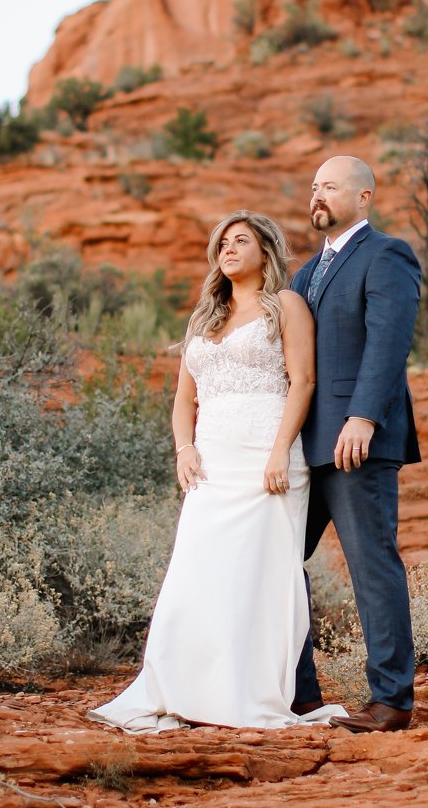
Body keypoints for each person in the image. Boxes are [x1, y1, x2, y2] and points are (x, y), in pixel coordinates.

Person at [90, 212, 345, 732]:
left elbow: (304, 382)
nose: (229, 249)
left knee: (256, 575)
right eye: (223, 242)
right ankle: (185, 687)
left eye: (241, 240)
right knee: (197, 575)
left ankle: (243, 692)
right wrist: (184, 448)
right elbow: (184, 397)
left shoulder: (288, 306)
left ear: (266, 251)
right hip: (211, 465)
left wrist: (280, 451)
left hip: (266, 461)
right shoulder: (203, 318)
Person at [290, 156, 422, 734]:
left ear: (364, 197)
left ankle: (391, 700)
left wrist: (364, 417)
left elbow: (389, 343)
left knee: (371, 566)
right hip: (303, 446)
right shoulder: (302, 275)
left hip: (356, 442)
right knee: (276, 561)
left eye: (332, 187)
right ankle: (299, 694)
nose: (318, 196)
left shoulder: (386, 255)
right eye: (315, 187)